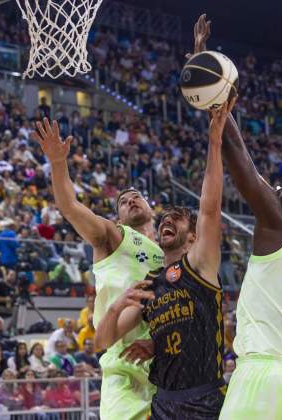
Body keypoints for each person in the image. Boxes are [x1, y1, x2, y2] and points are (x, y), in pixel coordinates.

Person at [186, 13, 282, 419]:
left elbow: (237, 153)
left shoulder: (278, 225)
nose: (276, 189)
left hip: (264, 373)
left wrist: (204, 66)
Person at [95, 100, 232, 419]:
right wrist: (118, 308)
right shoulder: (150, 286)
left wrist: (214, 141)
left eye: (179, 219)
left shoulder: (200, 267)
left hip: (206, 398)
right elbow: (102, 341)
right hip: (163, 403)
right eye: (165, 219)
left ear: (193, 237)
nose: (168, 221)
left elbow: (210, 208)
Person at [34, 116, 165, 420]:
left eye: (137, 197)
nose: (131, 200)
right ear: (118, 217)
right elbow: (70, 207)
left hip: (163, 360)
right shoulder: (114, 236)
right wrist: (57, 162)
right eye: (123, 201)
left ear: (151, 208)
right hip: (123, 362)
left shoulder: (167, 252)